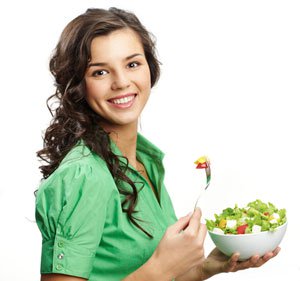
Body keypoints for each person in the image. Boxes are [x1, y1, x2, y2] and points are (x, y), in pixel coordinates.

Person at [35, 7, 280, 281]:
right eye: (100, 72)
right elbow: (157, 272)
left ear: (150, 68)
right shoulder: (84, 176)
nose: (122, 82)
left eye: (132, 64)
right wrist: (162, 266)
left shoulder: (143, 161)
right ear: (78, 84)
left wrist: (204, 268)